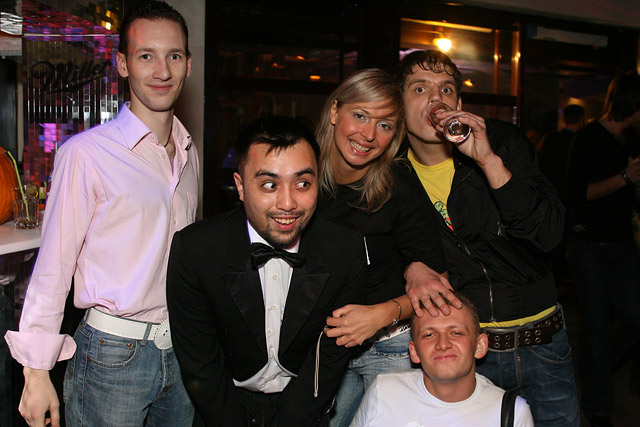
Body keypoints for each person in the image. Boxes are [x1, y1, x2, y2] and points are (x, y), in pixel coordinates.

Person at [4, 1, 198, 426]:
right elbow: (53, 265)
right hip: (112, 356)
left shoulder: (188, 153)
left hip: (181, 349)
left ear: (188, 65)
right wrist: (36, 372)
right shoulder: (86, 154)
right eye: (146, 56)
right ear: (123, 64)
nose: (162, 70)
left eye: (173, 56)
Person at [395, 49, 579, 426]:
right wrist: (411, 265)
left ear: (459, 104)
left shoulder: (501, 142)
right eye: (420, 88)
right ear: (399, 106)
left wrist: (488, 161)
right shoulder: (393, 173)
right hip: (468, 355)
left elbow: (548, 235)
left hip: (542, 345)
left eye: (446, 89)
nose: (436, 98)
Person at [166, 115, 367, 426]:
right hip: (223, 404)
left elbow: (330, 356)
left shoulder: (344, 247)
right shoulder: (196, 250)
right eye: (269, 185)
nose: (287, 203)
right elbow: (200, 364)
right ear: (240, 187)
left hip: (306, 403)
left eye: (303, 184)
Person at [314, 68, 452, 427]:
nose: (369, 135)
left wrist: (382, 314)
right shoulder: (303, 174)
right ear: (335, 112)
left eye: (385, 124)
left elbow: (440, 283)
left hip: (388, 346)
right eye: (360, 115)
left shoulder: (397, 183)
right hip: (321, 345)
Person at [565, 72, 640, 427]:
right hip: (588, 245)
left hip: (622, 244)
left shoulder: (631, 140)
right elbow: (578, 195)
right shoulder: (590, 137)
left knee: (635, 320)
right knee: (595, 326)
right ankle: (598, 408)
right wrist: (625, 178)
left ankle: (595, 372)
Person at [351, 293, 534, 427]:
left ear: (480, 345)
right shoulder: (384, 391)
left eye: (456, 333)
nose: (443, 344)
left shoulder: (511, 413)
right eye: (429, 335)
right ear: (414, 351)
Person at [539, 104, 586, 201]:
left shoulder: (550, 138)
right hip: (571, 194)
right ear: (582, 119)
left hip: (550, 191)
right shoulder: (580, 141)